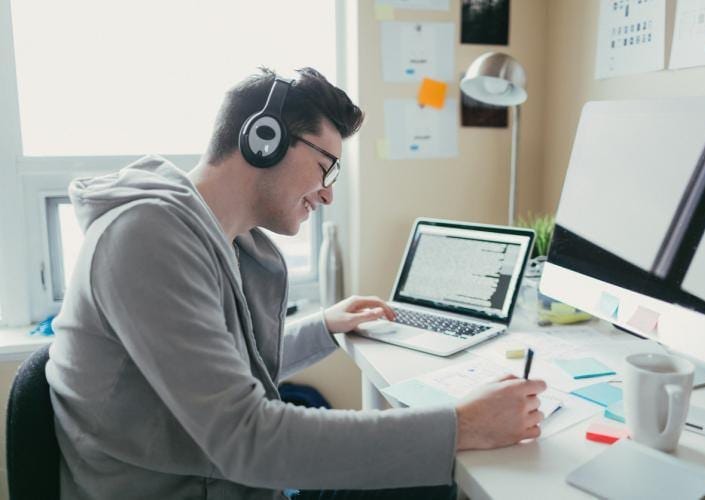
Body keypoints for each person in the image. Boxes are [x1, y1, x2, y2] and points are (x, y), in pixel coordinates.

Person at [46, 67, 547, 500]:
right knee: (436, 474)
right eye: (325, 166)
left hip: (226, 485)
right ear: (262, 139)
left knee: (427, 478)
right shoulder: (146, 238)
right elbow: (247, 438)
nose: (327, 194)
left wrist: (324, 327)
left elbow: (227, 364)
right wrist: (461, 426)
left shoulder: (221, 239)